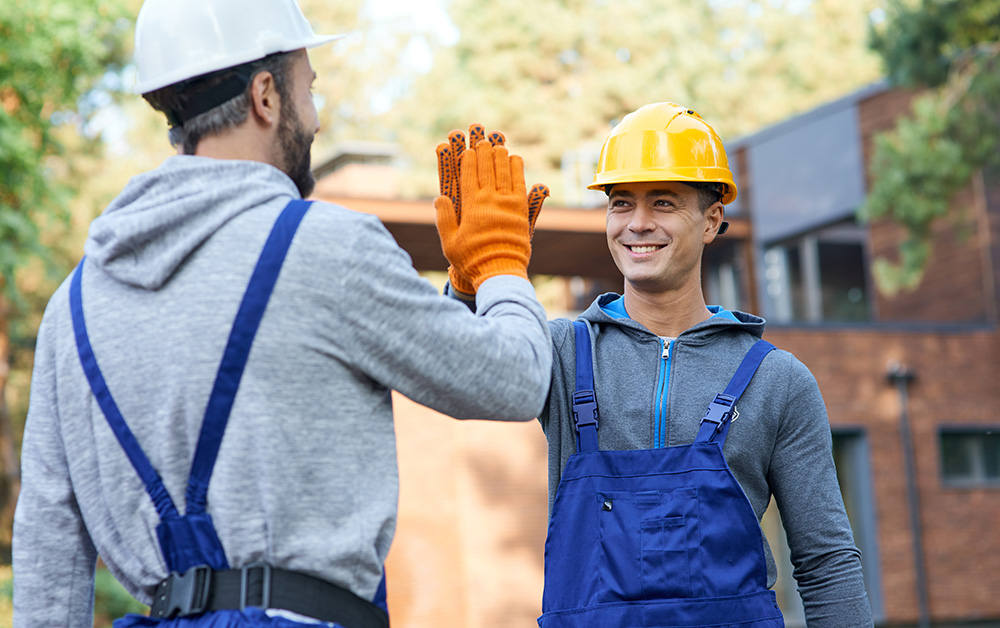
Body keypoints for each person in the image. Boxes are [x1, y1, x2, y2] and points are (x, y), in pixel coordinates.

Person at [12, 1, 552, 626]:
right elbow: (516, 380)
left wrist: (458, 294)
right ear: (266, 95)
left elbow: (48, 543)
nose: (316, 119)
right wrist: (500, 264)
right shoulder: (327, 248)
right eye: (309, 89)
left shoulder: (74, 303)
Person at [438, 103, 874, 627]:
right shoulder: (559, 353)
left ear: (712, 220)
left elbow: (826, 563)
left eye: (663, 203)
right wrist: (469, 285)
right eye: (621, 204)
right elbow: (458, 373)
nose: (638, 224)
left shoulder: (776, 380)